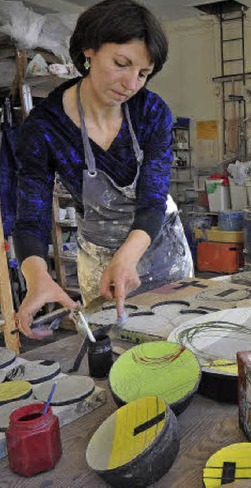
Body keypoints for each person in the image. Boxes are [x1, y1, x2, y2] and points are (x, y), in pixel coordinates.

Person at [14, 0, 193, 338]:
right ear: (89, 51)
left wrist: (127, 258)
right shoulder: (44, 127)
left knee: (178, 341)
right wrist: (37, 278)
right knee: (114, 348)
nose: (131, 84)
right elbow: (31, 217)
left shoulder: (151, 112)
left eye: (142, 73)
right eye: (121, 64)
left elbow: (153, 199)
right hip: (98, 255)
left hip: (159, 247)